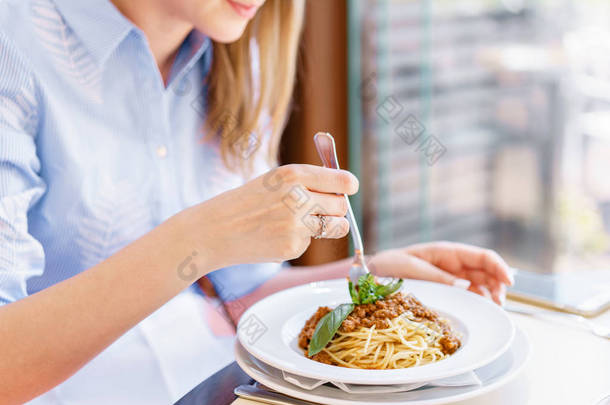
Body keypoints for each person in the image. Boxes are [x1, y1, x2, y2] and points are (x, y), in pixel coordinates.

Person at [0, 0, 513, 403]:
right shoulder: (16, 49)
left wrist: (366, 277)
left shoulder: (237, 50)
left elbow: (235, 298)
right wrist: (197, 239)